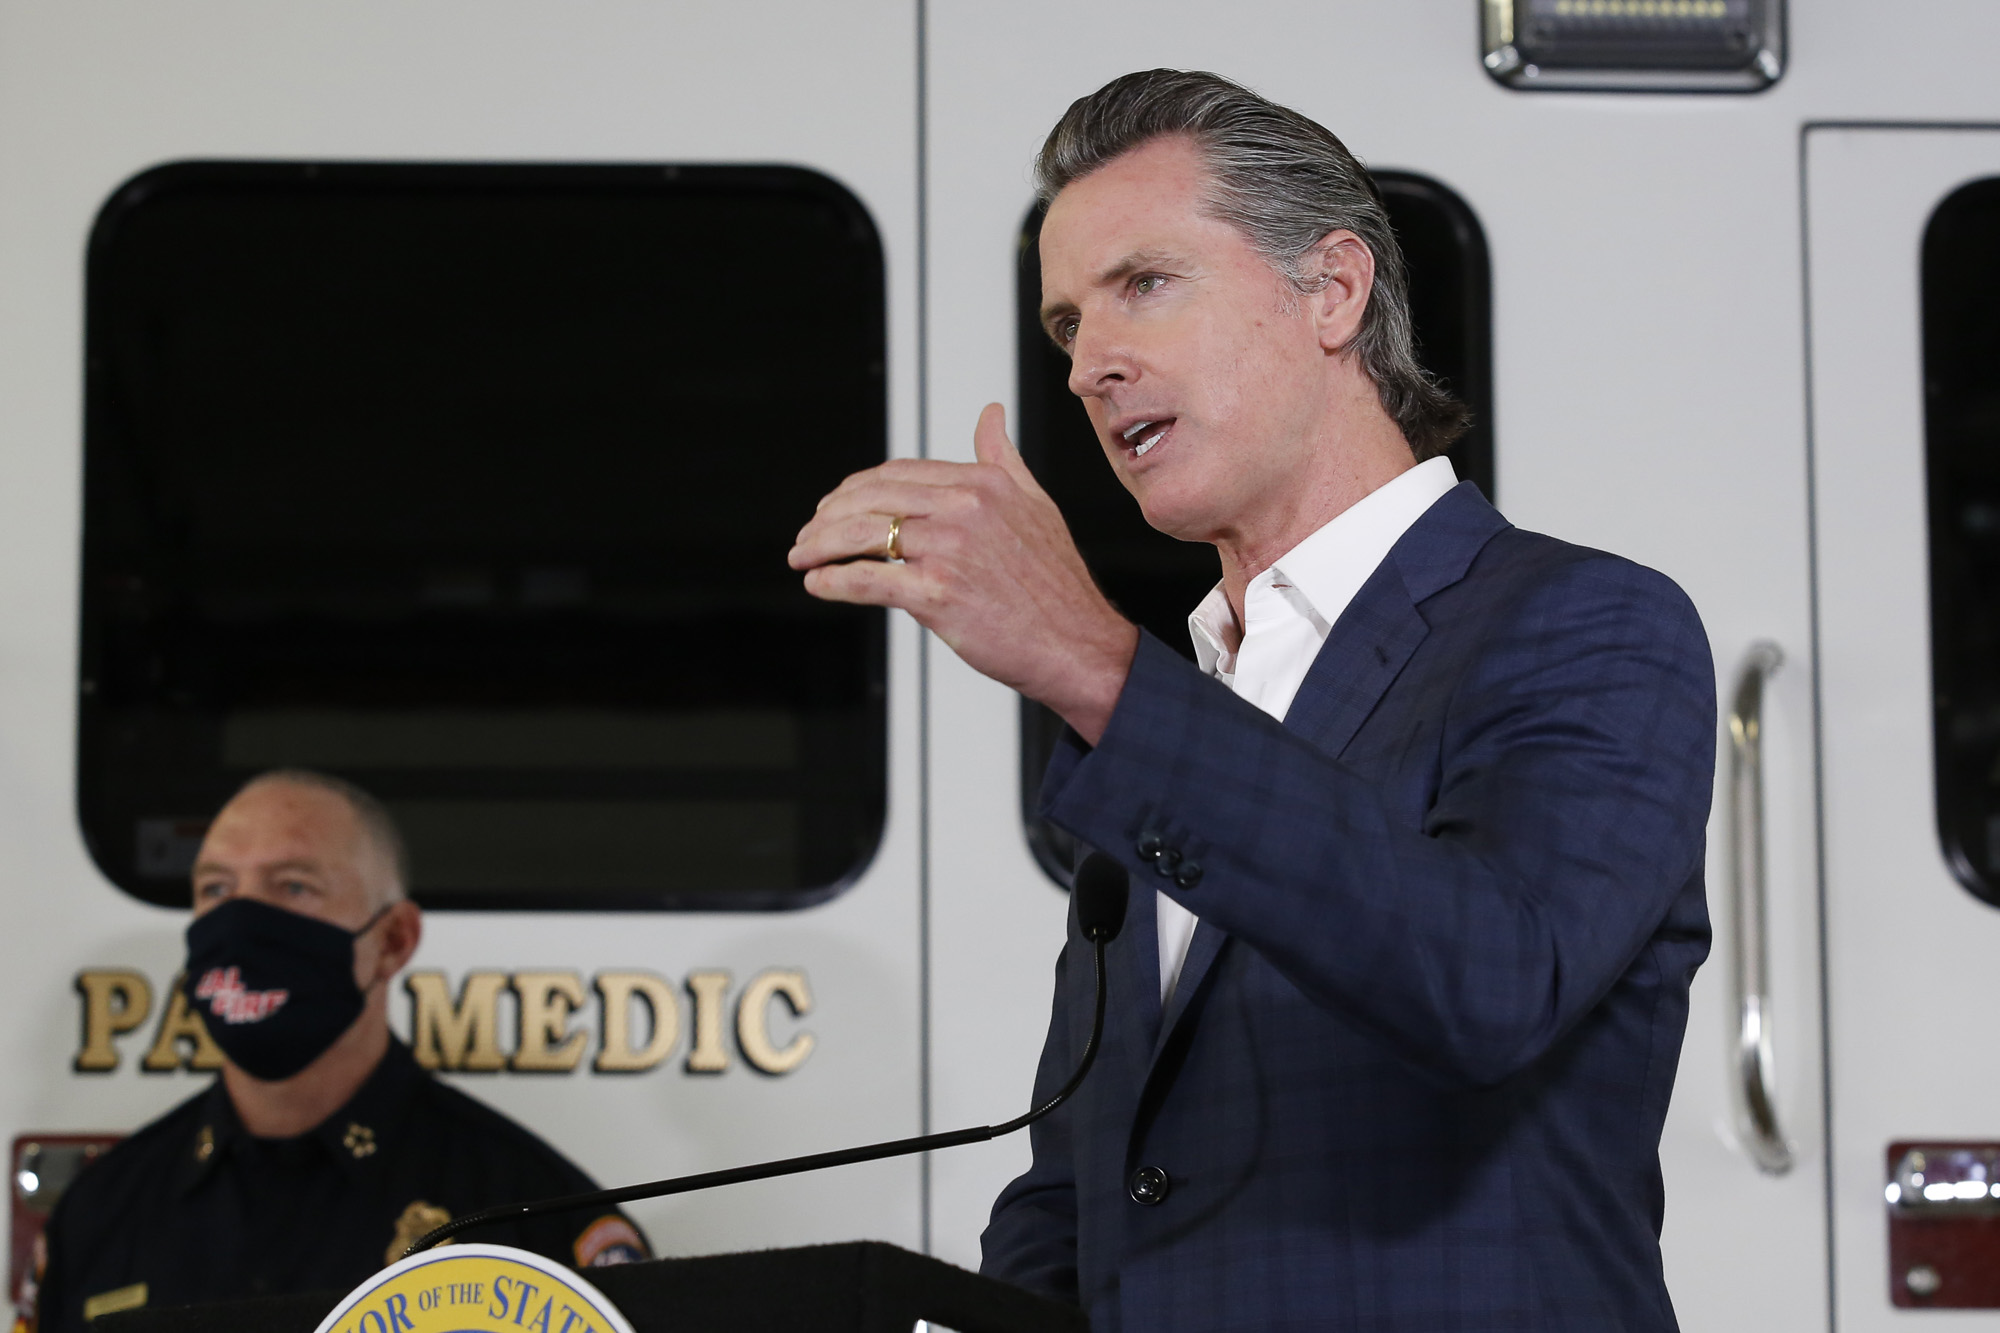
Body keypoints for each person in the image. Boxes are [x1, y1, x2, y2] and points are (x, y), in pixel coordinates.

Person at [789, 69, 1715, 1331]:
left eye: (1144, 285)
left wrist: (1092, 667)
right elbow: (1087, 1173)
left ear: (1331, 290)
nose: (1087, 366)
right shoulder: (1201, 692)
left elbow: (1489, 981)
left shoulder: (1583, 624)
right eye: (1066, 325)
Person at [33, 770, 648, 1332]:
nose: (242, 921)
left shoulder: (525, 1211)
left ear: (393, 940)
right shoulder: (101, 1212)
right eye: (216, 888)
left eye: (295, 887)